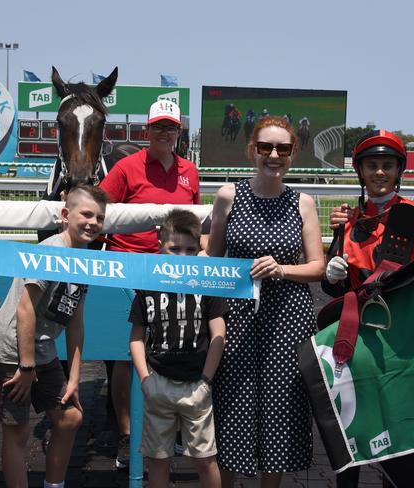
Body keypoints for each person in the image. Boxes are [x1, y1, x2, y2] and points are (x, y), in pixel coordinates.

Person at [323, 129, 414, 487]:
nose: (379, 173)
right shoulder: (347, 222)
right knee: (350, 428)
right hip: (356, 343)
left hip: (405, 342)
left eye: (387, 165)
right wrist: (332, 274)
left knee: (399, 432)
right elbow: (330, 286)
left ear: (399, 171)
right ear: (361, 171)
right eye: (372, 165)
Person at [206, 116, 325, 487]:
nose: (274, 155)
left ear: (293, 153)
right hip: (238, 320)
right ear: (251, 151)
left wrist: (282, 270)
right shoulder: (228, 196)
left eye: (283, 149)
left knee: (279, 412)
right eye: (265, 148)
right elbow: (214, 257)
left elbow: (318, 266)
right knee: (233, 408)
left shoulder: (303, 202)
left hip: (288, 321)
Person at [0, 185, 108, 488]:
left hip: (42, 349)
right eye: (86, 214)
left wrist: (75, 377)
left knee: (70, 419)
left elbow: (75, 321)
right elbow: (26, 309)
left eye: (99, 218)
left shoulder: (86, 256)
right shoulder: (51, 251)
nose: (92, 222)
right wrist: (26, 368)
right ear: (66, 215)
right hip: (12, 351)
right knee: (18, 432)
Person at [99, 99, 200, 468]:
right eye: (158, 126)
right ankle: (128, 434)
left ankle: (169, 428)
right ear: (146, 130)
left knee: (173, 347)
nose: (163, 133)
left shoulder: (190, 170)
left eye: (170, 127)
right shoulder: (126, 168)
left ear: (178, 132)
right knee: (125, 355)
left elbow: (194, 223)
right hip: (128, 271)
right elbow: (98, 208)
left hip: (175, 272)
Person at [129, 209, 226, 488]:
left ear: (200, 249)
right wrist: (145, 378)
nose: (183, 257)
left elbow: (219, 334)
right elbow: (136, 337)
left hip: (197, 384)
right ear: (160, 247)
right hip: (158, 380)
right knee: (158, 459)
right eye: (175, 249)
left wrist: (206, 380)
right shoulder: (147, 287)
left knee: (205, 459)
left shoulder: (209, 286)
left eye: (190, 250)